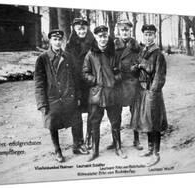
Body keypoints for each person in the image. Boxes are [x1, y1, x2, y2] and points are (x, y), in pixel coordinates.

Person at [34, 29, 89, 163]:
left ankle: (77, 145)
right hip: (52, 98)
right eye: (55, 39)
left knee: (76, 121)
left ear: (63, 41)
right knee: (53, 124)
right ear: (50, 41)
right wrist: (41, 103)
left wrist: (79, 96)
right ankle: (57, 150)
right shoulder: (43, 58)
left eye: (60, 40)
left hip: (68, 96)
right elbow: (39, 83)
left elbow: (76, 78)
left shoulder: (68, 56)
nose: (57, 42)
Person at [83, 25, 127, 161]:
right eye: (100, 36)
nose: (103, 39)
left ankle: (118, 147)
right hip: (96, 95)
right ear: (95, 37)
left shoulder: (113, 53)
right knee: (94, 123)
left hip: (113, 93)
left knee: (115, 122)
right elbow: (84, 73)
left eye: (105, 36)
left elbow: (121, 72)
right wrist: (95, 79)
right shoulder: (90, 54)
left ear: (108, 37)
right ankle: (95, 151)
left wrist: (114, 78)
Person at [130, 24, 168, 167]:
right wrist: (136, 67)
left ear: (155, 36)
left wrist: (153, 91)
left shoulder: (158, 54)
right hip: (142, 91)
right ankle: (150, 148)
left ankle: (156, 153)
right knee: (146, 122)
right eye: (145, 34)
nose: (148, 37)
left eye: (150, 34)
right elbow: (135, 68)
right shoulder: (143, 51)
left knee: (155, 123)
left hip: (152, 92)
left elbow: (160, 76)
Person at [105, 20, 143, 151]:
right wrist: (114, 74)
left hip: (133, 84)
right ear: (118, 31)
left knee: (135, 113)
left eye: (127, 30)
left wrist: (137, 68)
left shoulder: (137, 47)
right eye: (122, 30)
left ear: (130, 31)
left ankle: (136, 140)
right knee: (115, 115)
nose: (125, 32)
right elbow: (108, 65)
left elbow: (142, 64)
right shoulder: (112, 47)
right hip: (117, 84)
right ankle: (116, 141)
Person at [65, 18, 95, 150]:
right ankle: (78, 142)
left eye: (84, 28)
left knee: (92, 112)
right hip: (76, 84)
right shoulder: (69, 45)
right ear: (74, 30)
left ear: (87, 29)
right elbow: (67, 67)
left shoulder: (94, 43)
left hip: (90, 84)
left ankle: (90, 138)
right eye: (78, 29)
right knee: (75, 114)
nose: (81, 31)